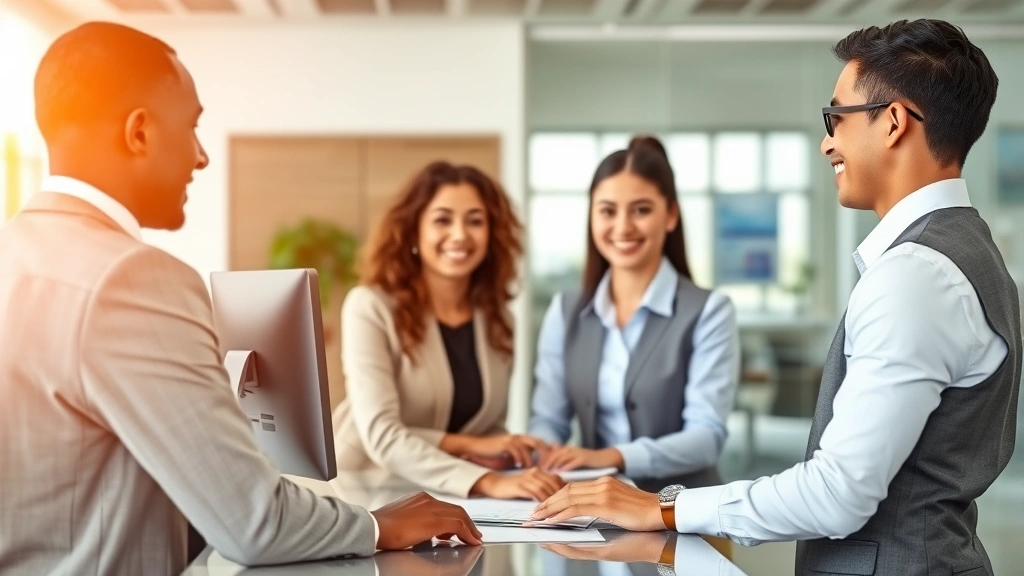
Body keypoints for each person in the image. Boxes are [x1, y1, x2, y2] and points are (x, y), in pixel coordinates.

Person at [530, 19, 1021, 576]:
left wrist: (661, 507)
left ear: (892, 123)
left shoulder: (915, 276)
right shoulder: (966, 254)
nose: (827, 140)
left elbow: (837, 494)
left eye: (836, 115)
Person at [0, 22, 481, 576]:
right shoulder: (132, 278)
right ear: (139, 133)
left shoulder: (14, 254)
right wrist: (376, 525)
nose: (201, 157)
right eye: (192, 128)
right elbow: (254, 524)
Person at [332, 160, 564, 501]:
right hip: (368, 491)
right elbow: (381, 435)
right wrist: (486, 478)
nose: (460, 235)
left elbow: (488, 427)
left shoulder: (498, 319)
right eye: (442, 220)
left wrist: (507, 453)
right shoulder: (370, 306)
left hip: (457, 501)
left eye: (475, 221)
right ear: (414, 231)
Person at [527, 136, 739, 498]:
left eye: (641, 210)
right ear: (592, 216)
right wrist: (543, 455)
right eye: (607, 211)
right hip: (595, 513)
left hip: (685, 513)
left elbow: (706, 437)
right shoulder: (565, 312)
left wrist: (607, 458)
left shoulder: (709, 311)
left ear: (670, 215)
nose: (622, 227)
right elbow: (548, 419)